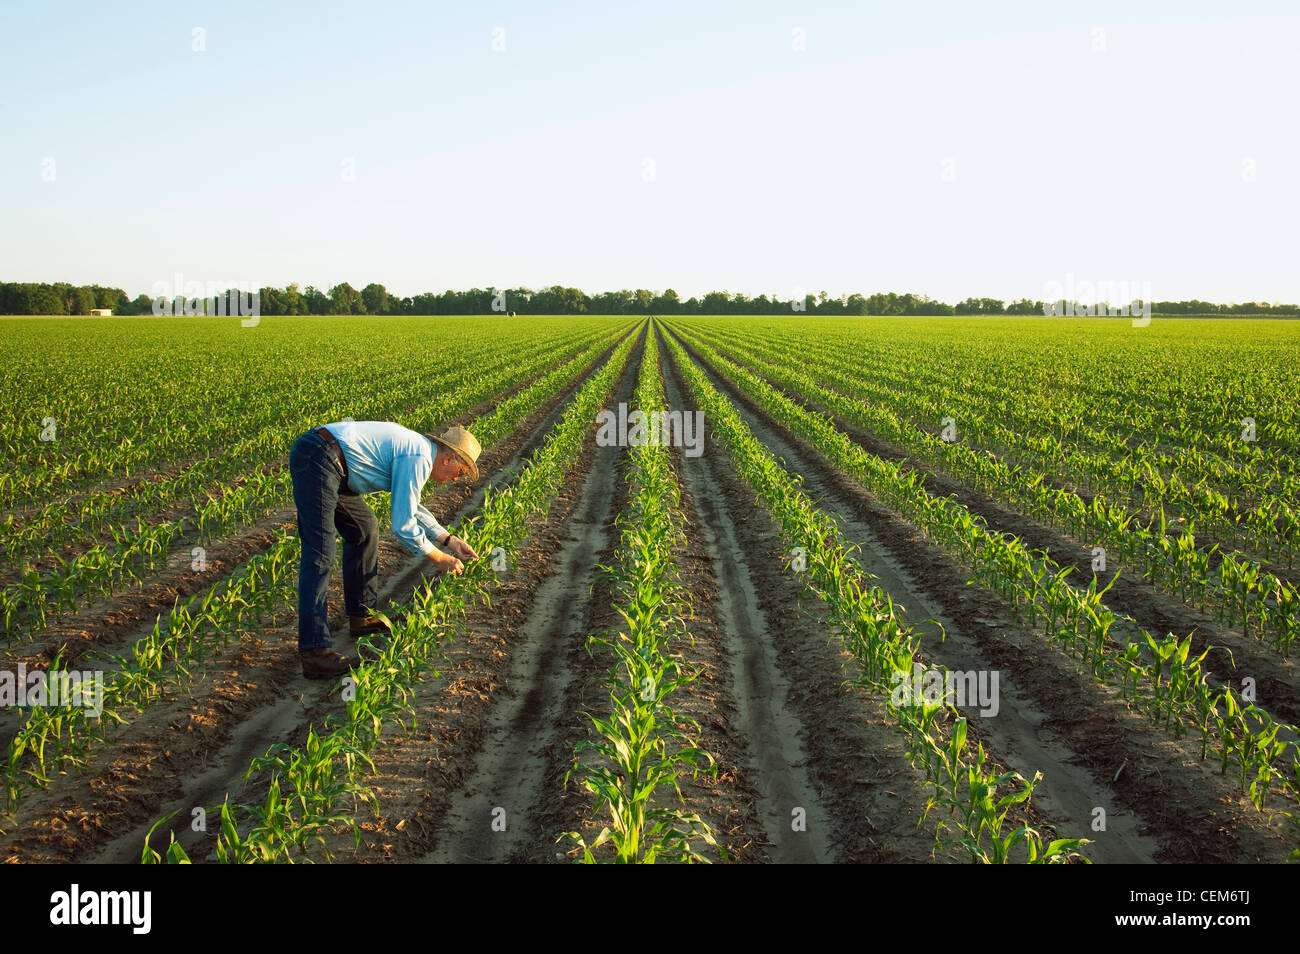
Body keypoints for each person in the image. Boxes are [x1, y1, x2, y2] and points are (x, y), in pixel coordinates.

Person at [288, 421, 482, 679]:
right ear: (448, 458)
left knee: (364, 530)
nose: (456, 478)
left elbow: (410, 504)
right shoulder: (418, 456)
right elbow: (403, 524)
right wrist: (438, 558)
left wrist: (449, 540)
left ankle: (362, 617)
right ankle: (315, 652)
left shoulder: (419, 453)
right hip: (320, 456)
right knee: (320, 552)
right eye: (460, 471)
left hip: (335, 464)